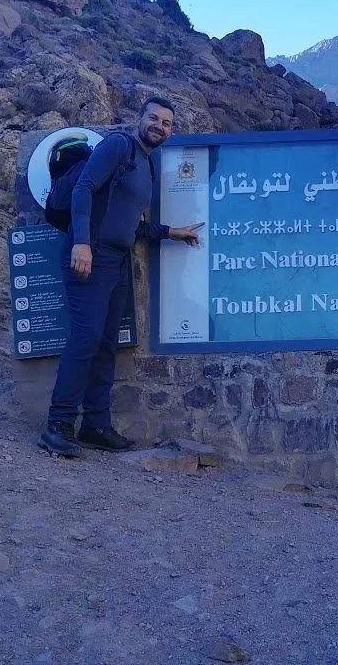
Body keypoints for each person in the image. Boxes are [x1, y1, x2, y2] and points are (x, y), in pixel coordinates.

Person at [38, 98, 204, 457]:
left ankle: (96, 424)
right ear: (139, 119)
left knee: (106, 343)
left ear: (171, 131)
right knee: (85, 338)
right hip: (91, 254)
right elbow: (83, 188)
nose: (159, 126)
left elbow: (128, 222)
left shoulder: (146, 165)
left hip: (117, 260)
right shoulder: (118, 145)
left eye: (166, 123)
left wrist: (170, 232)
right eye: (154, 118)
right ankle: (58, 424)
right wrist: (81, 243)